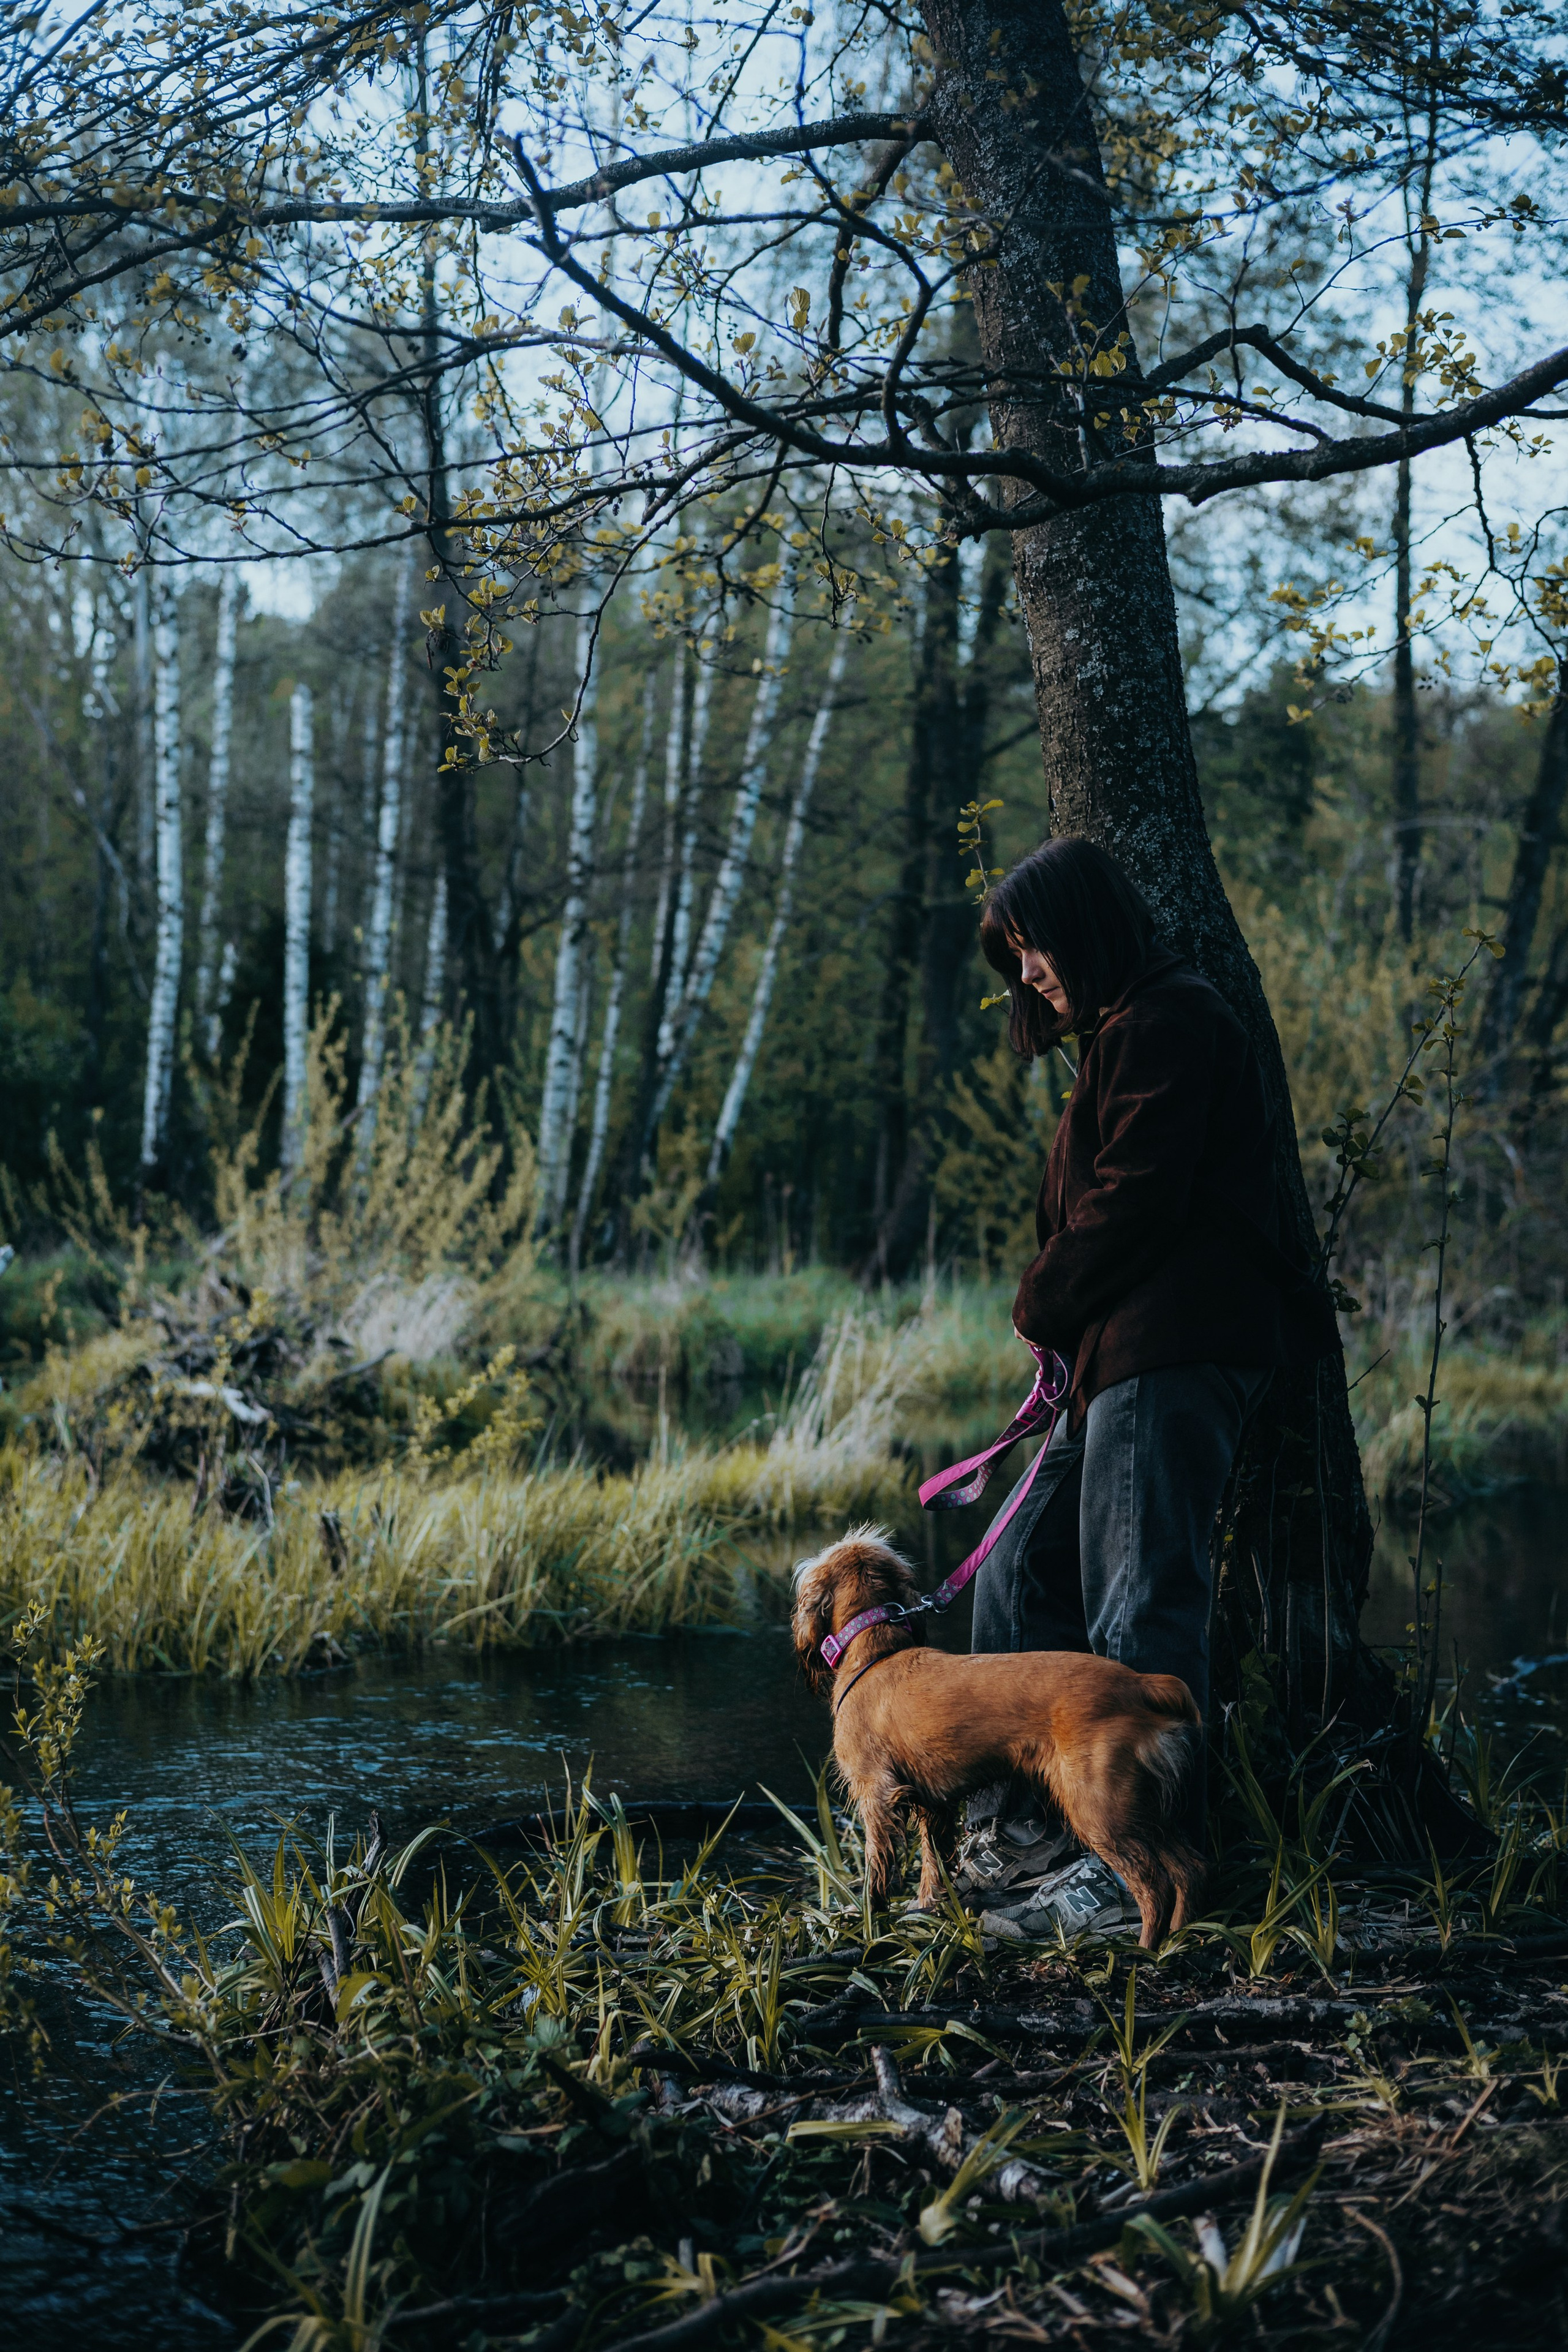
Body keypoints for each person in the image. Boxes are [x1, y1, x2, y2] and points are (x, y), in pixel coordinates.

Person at [954, 837, 1336, 1939]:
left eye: (1034, 946)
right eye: (1015, 955)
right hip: (1120, 1358)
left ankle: (1139, 1872)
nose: (1026, 974)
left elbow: (1135, 1201)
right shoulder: (1126, 1033)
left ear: (1087, 926)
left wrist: (1041, 1300)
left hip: (1177, 1349)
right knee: (1019, 1570)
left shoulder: (1175, 1019)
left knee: (1140, 1611)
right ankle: (1031, 1838)